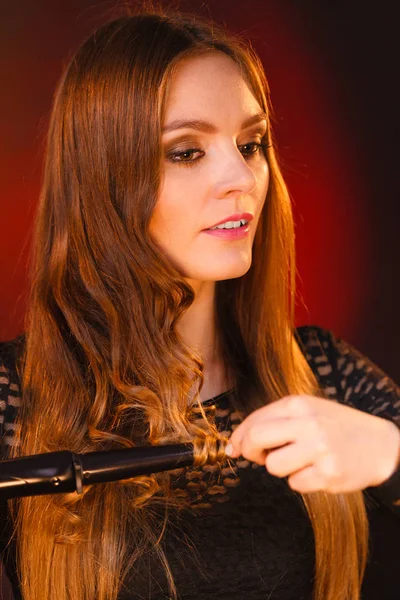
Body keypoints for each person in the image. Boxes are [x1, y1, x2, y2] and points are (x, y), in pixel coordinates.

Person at [0, 4, 399, 600]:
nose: (240, 175)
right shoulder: (17, 396)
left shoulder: (324, 374)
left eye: (252, 143)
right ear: (104, 180)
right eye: (186, 151)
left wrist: (392, 455)